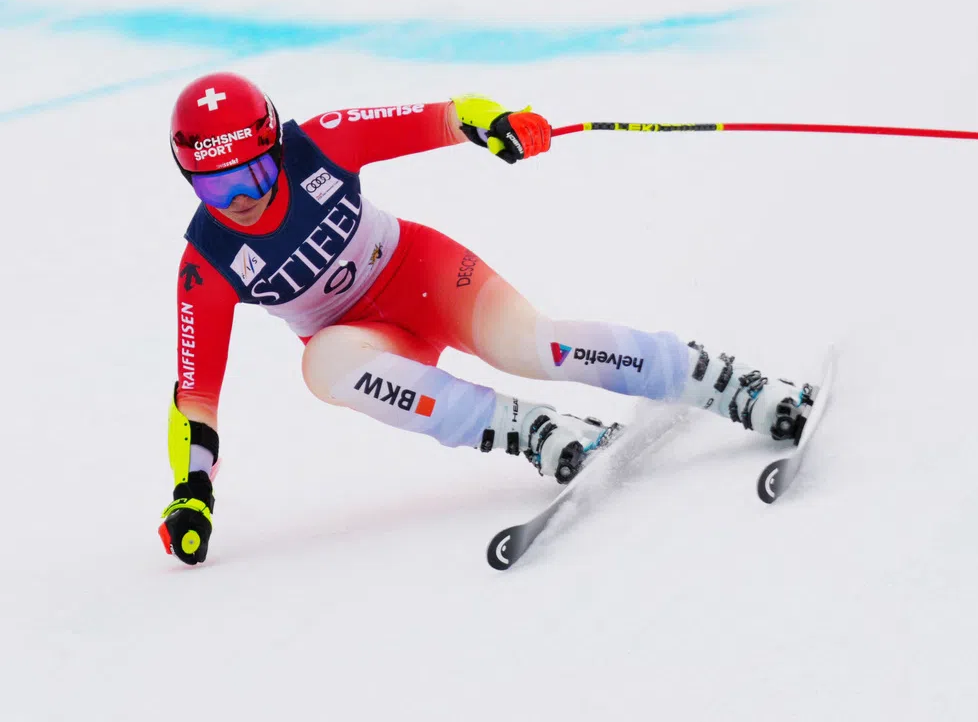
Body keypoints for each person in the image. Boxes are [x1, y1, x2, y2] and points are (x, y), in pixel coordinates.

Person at [160, 72, 814, 565]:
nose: (239, 198)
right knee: (323, 366)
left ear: (275, 145)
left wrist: (498, 123)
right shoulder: (208, 263)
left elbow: (445, 116)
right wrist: (192, 493)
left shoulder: (321, 143)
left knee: (534, 347)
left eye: (251, 172)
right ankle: (537, 433)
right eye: (216, 186)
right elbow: (196, 397)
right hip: (370, 339)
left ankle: (734, 385)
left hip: (422, 275)